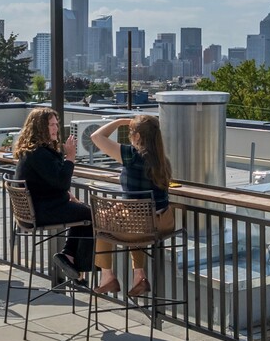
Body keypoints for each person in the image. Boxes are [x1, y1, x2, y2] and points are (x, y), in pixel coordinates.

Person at [89, 114, 175, 297]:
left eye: (130, 132)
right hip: (163, 223)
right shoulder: (163, 161)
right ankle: (139, 276)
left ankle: (107, 276)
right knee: (132, 222)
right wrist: (125, 205)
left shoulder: (132, 156)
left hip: (140, 226)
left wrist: (120, 121)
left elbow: (96, 137)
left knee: (101, 221)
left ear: (137, 136)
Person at [12, 107, 91, 286]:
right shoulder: (39, 154)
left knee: (83, 212)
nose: (56, 128)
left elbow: (49, 183)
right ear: (40, 128)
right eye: (51, 125)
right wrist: (71, 157)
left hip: (36, 210)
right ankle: (76, 267)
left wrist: (65, 195)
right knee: (90, 215)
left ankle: (69, 258)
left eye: (56, 124)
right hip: (41, 212)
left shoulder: (32, 152)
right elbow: (61, 182)